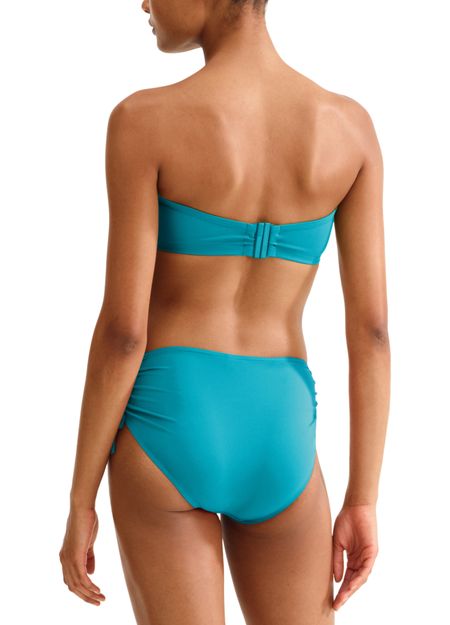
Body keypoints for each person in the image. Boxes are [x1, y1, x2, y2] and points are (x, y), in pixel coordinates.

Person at [59, 1, 390, 623]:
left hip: (169, 417)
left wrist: (81, 498)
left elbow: (124, 333)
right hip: (281, 429)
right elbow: (371, 333)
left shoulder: (143, 120)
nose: (144, 3)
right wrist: (362, 498)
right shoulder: (350, 128)